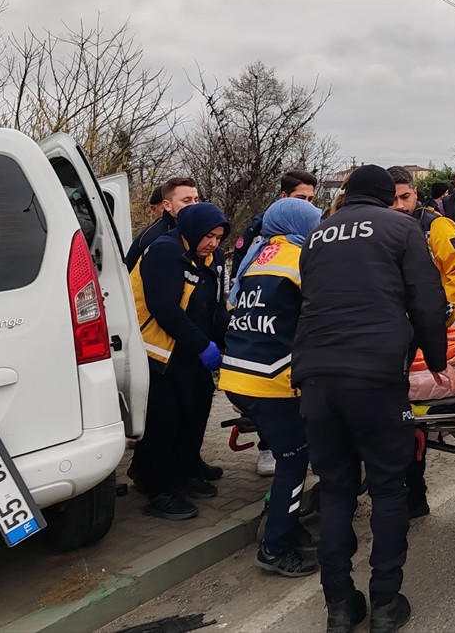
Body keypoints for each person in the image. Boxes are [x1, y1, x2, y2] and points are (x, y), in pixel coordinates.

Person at [294, 165, 449, 633]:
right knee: (386, 488)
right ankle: (385, 601)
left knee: (337, 487)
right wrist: (438, 358)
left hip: (317, 376)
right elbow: (425, 299)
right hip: (376, 376)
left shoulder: (317, 236)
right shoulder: (401, 228)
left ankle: (340, 605)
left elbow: (312, 299)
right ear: (386, 198)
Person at [387, 166, 455, 538]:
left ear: (416, 194)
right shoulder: (384, 229)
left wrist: (441, 319)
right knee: (409, 424)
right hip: (405, 340)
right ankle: (414, 498)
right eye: (393, 198)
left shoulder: (436, 225)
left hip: (448, 335)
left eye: (405, 196)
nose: (399, 205)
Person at [220, 197, 323, 578]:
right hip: (271, 379)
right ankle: (275, 548)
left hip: (239, 375)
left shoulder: (260, 257)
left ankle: (288, 524)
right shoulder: (298, 260)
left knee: (288, 455)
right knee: (295, 458)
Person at [129, 202, 230, 521]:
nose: (212, 242)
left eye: (218, 236)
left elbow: (214, 306)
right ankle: (159, 490)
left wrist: (225, 341)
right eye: (208, 235)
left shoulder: (212, 260)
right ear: (192, 230)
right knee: (164, 420)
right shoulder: (165, 252)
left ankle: (185, 470)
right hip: (158, 350)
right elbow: (164, 307)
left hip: (190, 348)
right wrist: (203, 345)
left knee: (196, 409)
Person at [228, 169, 319, 478]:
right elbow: (240, 277)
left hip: (256, 355)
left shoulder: (301, 242)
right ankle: (271, 450)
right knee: (280, 416)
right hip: (268, 356)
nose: (308, 206)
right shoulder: (263, 233)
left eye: (311, 199)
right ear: (284, 198)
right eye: (300, 199)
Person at [125, 176, 200, 271]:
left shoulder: (194, 229)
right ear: (167, 205)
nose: (194, 205)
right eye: (186, 201)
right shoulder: (155, 238)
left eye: (196, 200)